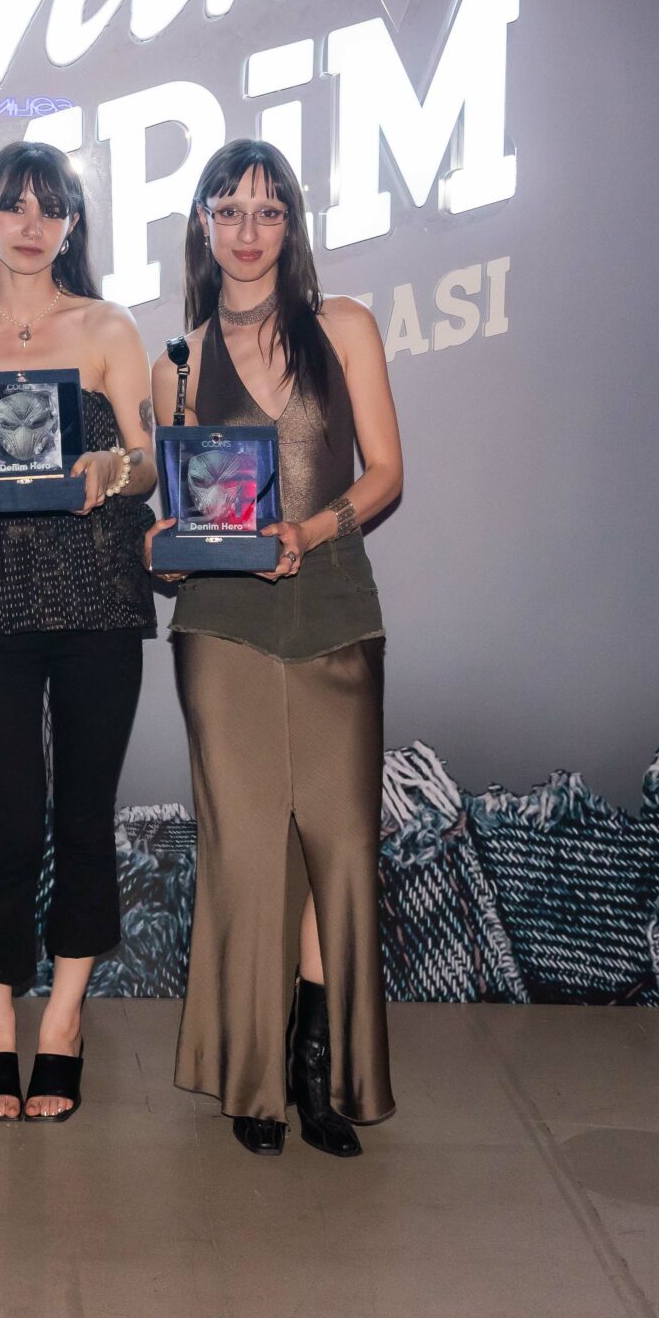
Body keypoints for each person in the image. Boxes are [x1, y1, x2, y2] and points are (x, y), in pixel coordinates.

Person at [147, 138, 403, 1158]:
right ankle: (253, 1082)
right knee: (248, 853)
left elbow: (384, 473)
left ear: (292, 225)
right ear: (203, 225)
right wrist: (162, 551)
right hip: (222, 629)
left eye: (267, 211)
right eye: (229, 210)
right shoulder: (177, 364)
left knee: (339, 851)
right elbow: (182, 528)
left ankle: (317, 1072)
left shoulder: (345, 327)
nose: (247, 231)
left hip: (336, 611)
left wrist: (310, 529)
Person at [0, 143, 157, 1123]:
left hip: (99, 597)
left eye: (48, 208)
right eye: (11, 205)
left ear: (71, 224)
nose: (29, 224)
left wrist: (111, 468)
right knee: (11, 820)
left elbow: (147, 461)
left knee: (83, 814)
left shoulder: (107, 326)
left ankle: (63, 1019)